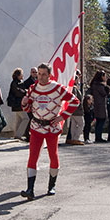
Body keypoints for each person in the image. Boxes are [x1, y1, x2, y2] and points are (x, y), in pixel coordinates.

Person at [20, 63, 80, 200]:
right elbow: (28, 108)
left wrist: (62, 116)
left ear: (49, 75)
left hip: (52, 128)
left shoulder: (57, 88)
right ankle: (30, 189)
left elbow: (75, 101)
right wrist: (24, 103)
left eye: (43, 74)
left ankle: (51, 186)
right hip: (36, 126)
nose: (40, 77)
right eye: (39, 74)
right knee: (33, 156)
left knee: (53, 155)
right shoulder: (32, 88)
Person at [7, 68, 29, 139]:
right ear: (18, 75)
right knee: (26, 119)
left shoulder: (19, 82)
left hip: (18, 104)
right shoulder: (15, 83)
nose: (22, 76)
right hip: (17, 103)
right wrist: (26, 92)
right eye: (21, 74)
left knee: (18, 120)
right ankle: (18, 135)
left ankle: (16, 135)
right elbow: (18, 93)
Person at [90, 70, 110, 143]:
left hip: (97, 105)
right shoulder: (99, 86)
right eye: (104, 76)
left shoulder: (94, 85)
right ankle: (98, 137)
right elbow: (104, 93)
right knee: (101, 121)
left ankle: (98, 136)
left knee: (99, 122)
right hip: (100, 105)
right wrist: (107, 89)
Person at [65, 71, 85, 145]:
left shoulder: (73, 88)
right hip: (77, 110)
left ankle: (73, 138)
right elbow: (75, 99)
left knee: (73, 124)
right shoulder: (74, 88)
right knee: (81, 124)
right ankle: (76, 138)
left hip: (73, 110)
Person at [21, 67, 38, 141]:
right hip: (30, 103)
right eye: (33, 72)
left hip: (37, 103)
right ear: (31, 73)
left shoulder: (38, 81)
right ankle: (27, 134)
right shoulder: (27, 82)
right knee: (30, 118)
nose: (34, 73)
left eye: (35, 72)